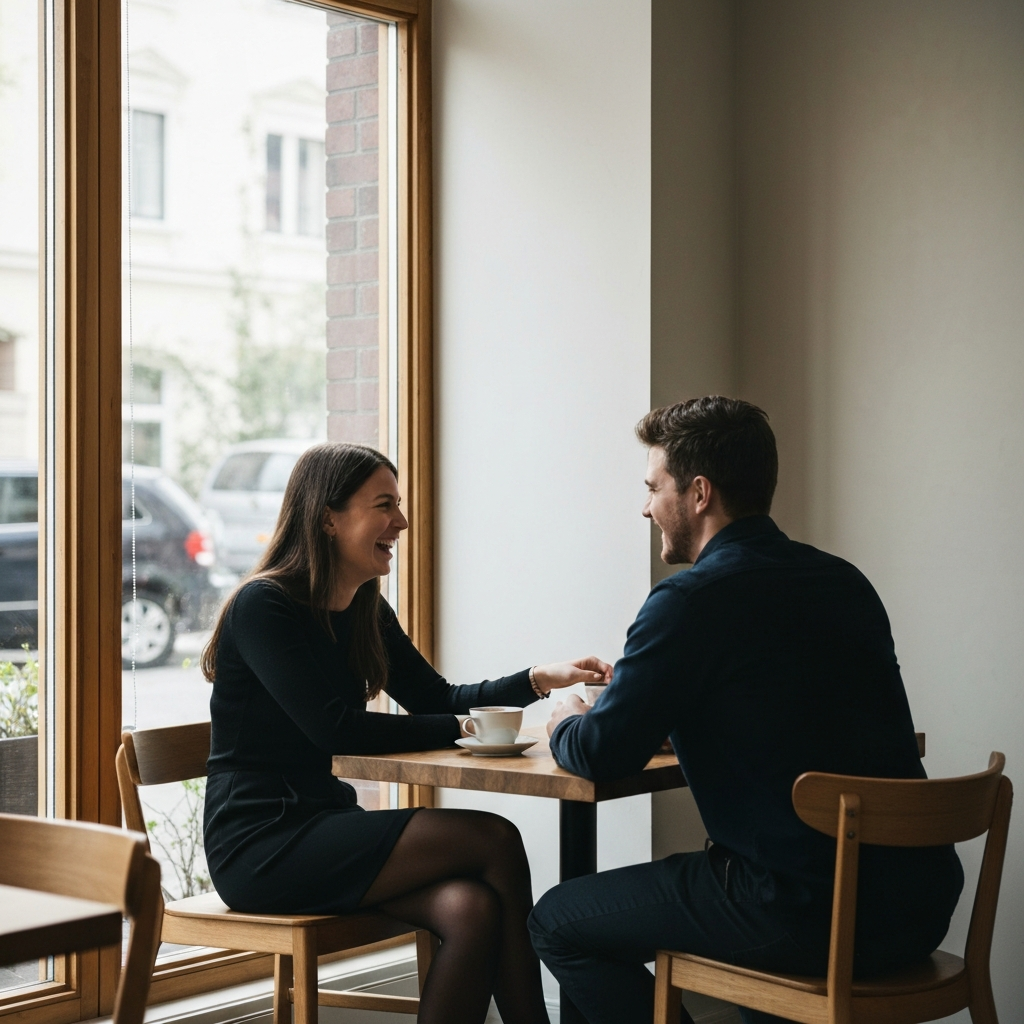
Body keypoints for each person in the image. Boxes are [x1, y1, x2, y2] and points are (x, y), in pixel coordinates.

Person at [528, 397, 963, 1024]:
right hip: (915, 903)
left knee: (557, 921)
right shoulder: (844, 582)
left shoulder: (687, 600)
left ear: (699, 493)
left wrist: (565, 717)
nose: (645, 506)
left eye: (653, 487)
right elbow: (791, 711)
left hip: (802, 911)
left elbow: (601, 754)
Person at [200, 442, 612, 1024]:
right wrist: (467, 728)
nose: (402, 521)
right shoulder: (264, 606)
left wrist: (537, 680)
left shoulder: (366, 605)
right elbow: (333, 729)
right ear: (328, 518)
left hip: (325, 823)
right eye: (384, 504)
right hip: (261, 842)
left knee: (470, 909)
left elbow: (436, 698)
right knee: (494, 838)